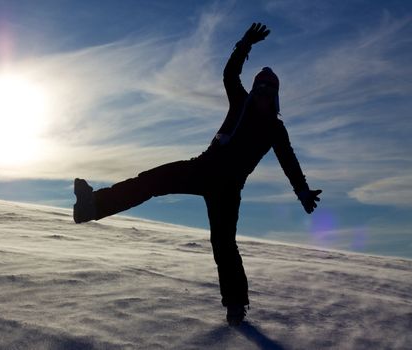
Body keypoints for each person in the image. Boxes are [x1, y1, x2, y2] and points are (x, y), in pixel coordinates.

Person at [72, 23, 322, 326]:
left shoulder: (274, 129)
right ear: (255, 90)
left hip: (228, 189)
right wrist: (244, 45)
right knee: (149, 181)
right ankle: (91, 206)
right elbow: (230, 75)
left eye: (270, 91)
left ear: (276, 96)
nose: (264, 94)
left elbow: (289, 161)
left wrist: (302, 191)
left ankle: (236, 305)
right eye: (261, 88)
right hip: (202, 168)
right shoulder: (241, 102)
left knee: (224, 244)